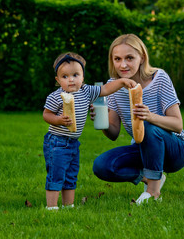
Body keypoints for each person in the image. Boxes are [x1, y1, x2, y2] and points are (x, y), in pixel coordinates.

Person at [90, 34, 184, 204]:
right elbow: (113, 133)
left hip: (176, 150)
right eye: (117, 59)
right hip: (144, 149)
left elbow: (178, 125)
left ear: (142, 57)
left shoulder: (159, 78)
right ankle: (152, 178)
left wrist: (150, 116)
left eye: (129, 58)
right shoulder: (112, 86)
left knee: (148, 126)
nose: (123, 64)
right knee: (102, 165)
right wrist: (102, 121)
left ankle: (153, 193)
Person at [43, 52, 137, 210]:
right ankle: (51, 207)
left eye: (75, 75)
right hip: (57, 141)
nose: (71, 79)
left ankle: (68, 205)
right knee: (56, 173)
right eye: (65, 77)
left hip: (73, 142)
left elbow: (106, 89)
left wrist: (121, 82)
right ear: (58, 81)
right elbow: (46, 114)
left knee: (71, 174)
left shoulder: (86, 91)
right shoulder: (56, 96)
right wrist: (58, 120)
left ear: (82, 78)